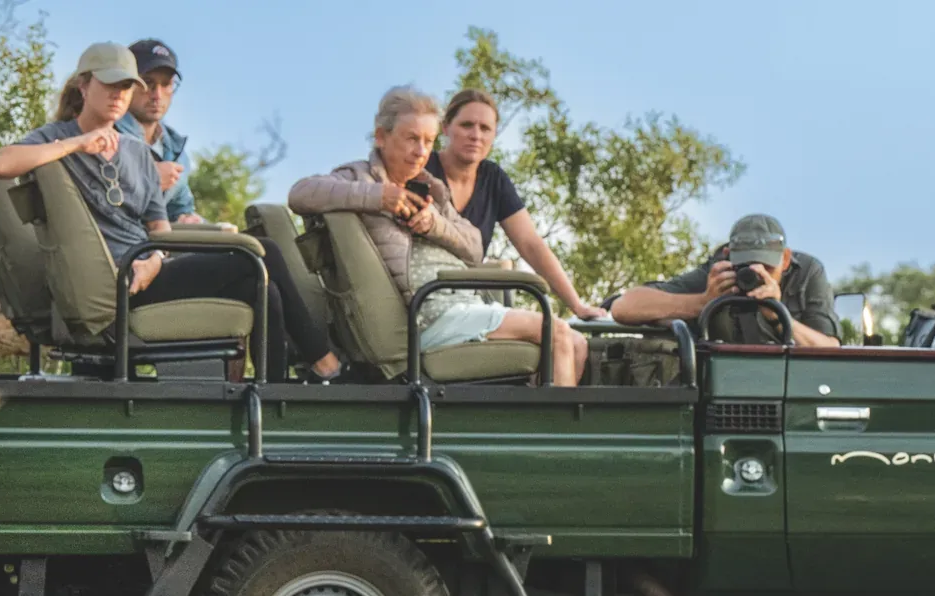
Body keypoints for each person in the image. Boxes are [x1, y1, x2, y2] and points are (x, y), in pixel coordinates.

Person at [0, 42, 341, 381]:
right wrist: (76, 144)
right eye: (110, 84)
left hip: (148, 269)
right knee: (266, 254)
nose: (119, 94)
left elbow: (159, 231)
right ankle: (323, 361)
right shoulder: (58, 137)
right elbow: (4, 164)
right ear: (83, 85)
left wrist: (155, 259)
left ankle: (273, 395)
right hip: (115, 279)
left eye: (127, 86)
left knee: (260, 283)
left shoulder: (138, 152)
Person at [289, 86, 588, 386]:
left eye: (428, 142)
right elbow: (301, 193)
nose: (420, 152)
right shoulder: (359, 177)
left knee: (578, 343)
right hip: (430, 312)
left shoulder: (431, 188)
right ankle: (558, 432)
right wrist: (379, 196)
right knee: (558, 333)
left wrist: (435, 224)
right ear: (381, 137)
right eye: (411, 139)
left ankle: (532, 428)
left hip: (461, 304)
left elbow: (473, 247)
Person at [427, 89, 608, 319]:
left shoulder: (493, 179)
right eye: (466, 125)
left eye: (485, 128)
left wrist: (577, 306)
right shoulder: (422, 169)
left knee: (564, 336)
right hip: (426, 291)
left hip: (467, 299)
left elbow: (530, 243)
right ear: (445, 128)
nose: (476, 135)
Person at [609, 215, 840, 347]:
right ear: (728, 256)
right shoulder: (718, 274)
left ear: (786, 259)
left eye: (767, 266)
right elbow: (624, 307)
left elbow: (831, 349)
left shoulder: (808, 272)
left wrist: (778, 315)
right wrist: (705, 301)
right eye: (745, 266)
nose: (756, 274)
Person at [114, 38, 203, 225]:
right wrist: (149, 179)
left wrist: (185, 219)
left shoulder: (175, 149)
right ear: (126, 83)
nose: (157, 95)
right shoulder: (105, 135)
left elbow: (180, 207)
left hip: (163, 247)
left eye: (167, 84)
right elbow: (95, 201)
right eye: (147, 82)